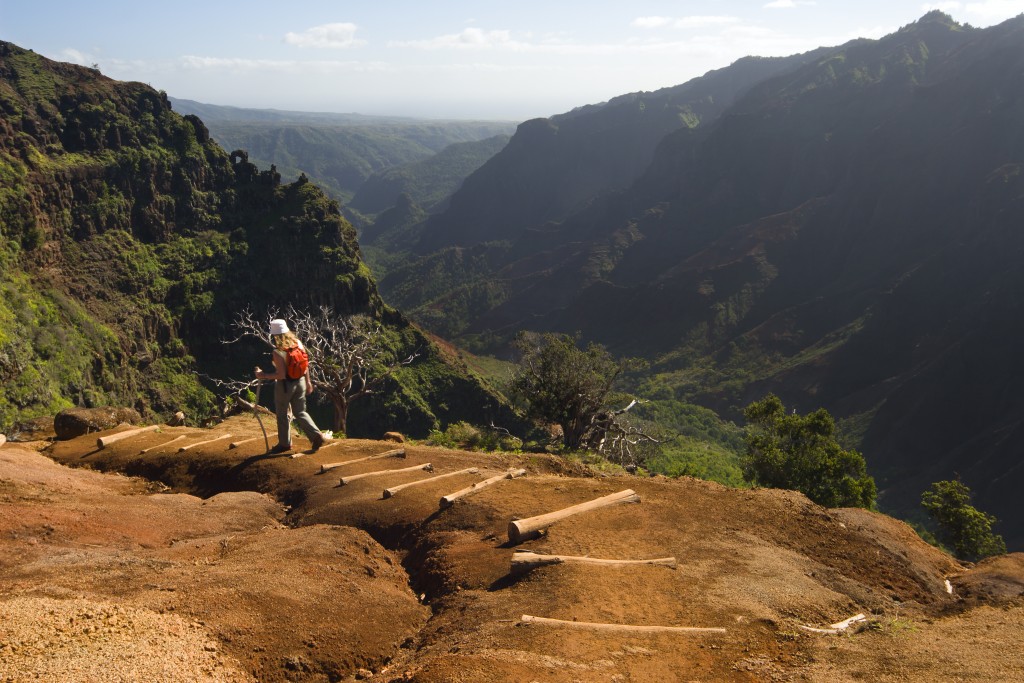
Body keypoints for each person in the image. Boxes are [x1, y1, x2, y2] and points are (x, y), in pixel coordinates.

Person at [254, 319, 327, 455]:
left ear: (275, 335)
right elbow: (305, 365)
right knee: (300, 412)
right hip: (300, 382)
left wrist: (262, 375)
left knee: (282, 414)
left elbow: (281, 374)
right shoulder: (298, 343)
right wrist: (308, 382)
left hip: (285, 386)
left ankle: (284, 444)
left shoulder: (278, 352)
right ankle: (317, 435)